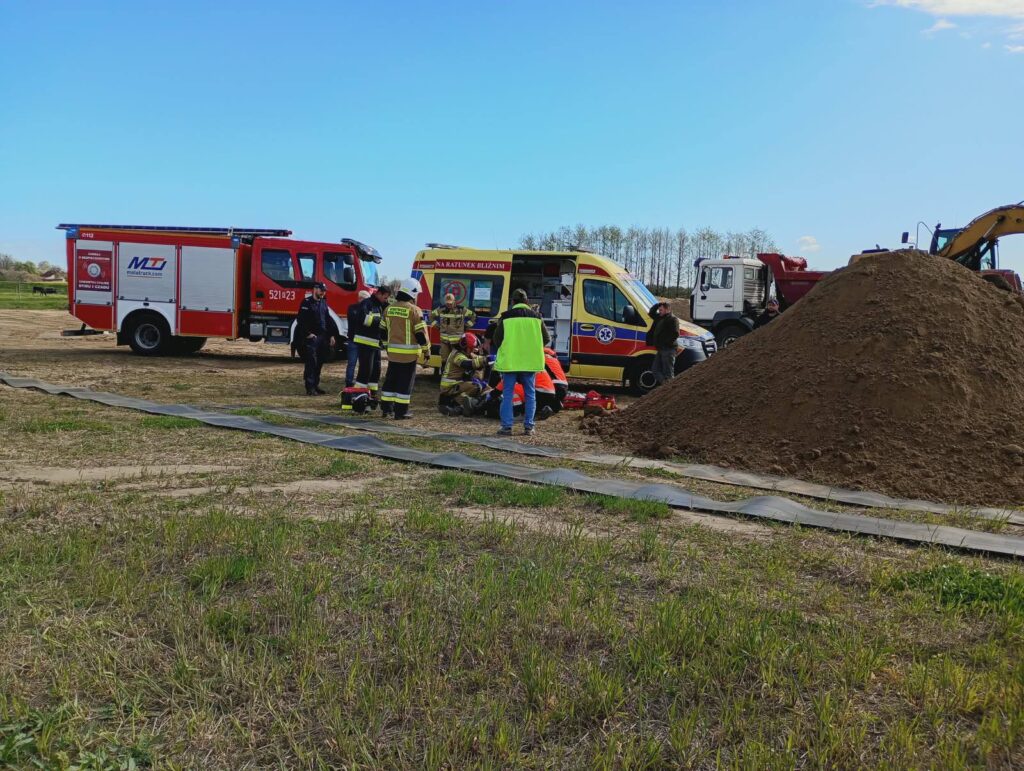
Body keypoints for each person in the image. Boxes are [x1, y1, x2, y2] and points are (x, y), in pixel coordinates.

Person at [492, 288, 550, 436]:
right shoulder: (537, 317)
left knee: (508, 394)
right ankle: (529, 427)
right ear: (527, 301)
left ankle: (506, 427)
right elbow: (547, 339)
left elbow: (496, 339)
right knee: (530, 395)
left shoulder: (505, 317)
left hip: (510, 362)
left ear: (513, 302)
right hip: (529, 362)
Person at [380, 278, 429, 419]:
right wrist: (426, 350)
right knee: (405, 383)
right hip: (408, 355)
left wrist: (387, 346)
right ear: (412, 293)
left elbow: (382, 331)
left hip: (393, 354)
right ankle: (401, 412)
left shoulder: (388, 309)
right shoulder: (414, 310)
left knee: (390, 381)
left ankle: (386, 409)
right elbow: (420, 334)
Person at [352, 285, 391, 408]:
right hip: (365, 343)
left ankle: (372, 397)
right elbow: (363, 319)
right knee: (365, 371)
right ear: (379, 294)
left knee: (375, 372)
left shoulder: (380, 305)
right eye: (385, 297)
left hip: (375, 344)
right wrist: (380, 322)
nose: (386, 300)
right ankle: (358, 399)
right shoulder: (366, 303)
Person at [296, 282, 335, 396]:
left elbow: (327, 319)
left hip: (323, 337)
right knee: (311, 362)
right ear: (315, 289)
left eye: (324, 290)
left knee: (320, 361)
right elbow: (301, 320)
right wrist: (307, 334)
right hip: (312, 337)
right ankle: (309, 387)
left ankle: (316, 385)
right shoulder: (306, 303)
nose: (323, 292)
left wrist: (331, 335)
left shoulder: (323, 302)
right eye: (321, 290)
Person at [438, 332, 488, 416]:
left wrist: (488, 358)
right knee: (476, 386)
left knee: (486, 388)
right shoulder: (457, 355)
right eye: (471, 348)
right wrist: (484, 361)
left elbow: (477, 358)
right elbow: (467, 364)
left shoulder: (465, 352)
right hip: (449, 388)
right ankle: (456, 405)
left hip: (456, 385)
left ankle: (479, 405)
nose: (473, 350)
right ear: (465, 347)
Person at [431, 292, 477, 368]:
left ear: (454, 301)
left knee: (457, 359)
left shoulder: (461, 309)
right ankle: (444, 374)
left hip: (457, 342)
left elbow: (474, 317)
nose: (448, 305)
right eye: (447, 303)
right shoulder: (441, 309)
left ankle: (455, 375)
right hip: (444, 341)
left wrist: (466, 326)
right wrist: (438, 326)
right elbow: (431, 316)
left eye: (450, 303)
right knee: (444, 359)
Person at [646, 301, 680, 386]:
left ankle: (670, 390)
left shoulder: (673, 319)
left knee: (668, 373)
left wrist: (666, 343)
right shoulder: (660, 317)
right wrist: (658, 305)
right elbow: (651, 313)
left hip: (668, 349)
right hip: (661, 349)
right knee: (655, 369)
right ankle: (666, 386)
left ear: (667, 309)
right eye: (659, 310)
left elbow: (676, 333)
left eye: (661, 310)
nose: (659, 311)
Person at [345, 290, 370, 387]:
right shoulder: (352, 308)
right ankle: (349, 382)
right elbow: (357, 321)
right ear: (360, 298)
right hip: (353, 340)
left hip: (363, 341)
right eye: (365, 299)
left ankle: (360, 383)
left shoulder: (366, 309)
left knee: (363, 364)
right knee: (352, 363)